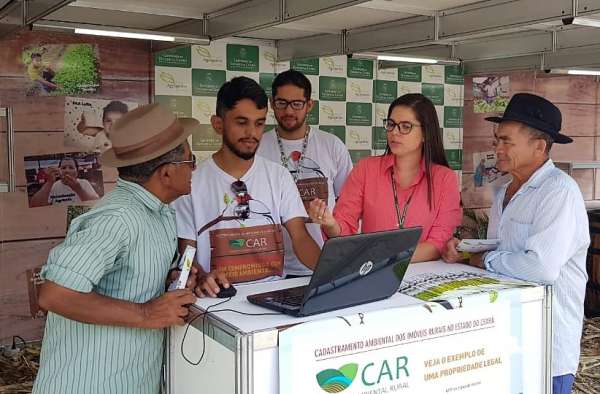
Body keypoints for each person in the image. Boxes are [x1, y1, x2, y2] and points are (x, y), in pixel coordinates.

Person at [33, 103, 200, 393]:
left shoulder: (159, 212)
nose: (195, 168)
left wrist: (170, 281)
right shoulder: (117, 219)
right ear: (167, 174)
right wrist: (147, 313)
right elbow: (53, 294)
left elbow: (129, 280)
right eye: (190, 160)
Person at [441, 93, 589, 394]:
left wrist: (485, 260)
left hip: (547, 347)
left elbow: (541, 267)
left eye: (507, 141)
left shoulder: (559, 192)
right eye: (497, 140)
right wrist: (469, 250)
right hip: (508, 341)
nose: (497, 149)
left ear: (539, 146)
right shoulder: (506, 191)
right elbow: (503, 247)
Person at [172, 77, 321, 296]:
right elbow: (186, 253)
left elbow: (300, 237)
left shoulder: (278, 176)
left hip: (273, 298)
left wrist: (333, 275)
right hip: (217, 304)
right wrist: (202, 276)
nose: (252, 133)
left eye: (259, 123)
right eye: (242, 122)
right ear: (218, 124)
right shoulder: (191, 182)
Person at [308, 93, 462, 262]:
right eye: (391, 124)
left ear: (426, 133)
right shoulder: (366, 169)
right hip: (374, 273)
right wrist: (330, 224)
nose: (395, 132)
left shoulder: (444, 178)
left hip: (423, 276)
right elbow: (344, 228)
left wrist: (385, 257)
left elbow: (438, 243)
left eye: (405, 126)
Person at [256, 69, 353, 277]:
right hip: (271, 270)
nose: (289, 111)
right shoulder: (258, 147)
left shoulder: (332, 146)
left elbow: (348, 206)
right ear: (272, 103)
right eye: (282, 103)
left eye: (297, 104)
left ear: (309, 105)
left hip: (323, 262)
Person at [30, 156, 100, 207]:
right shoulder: (54, 185)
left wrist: (78, 189)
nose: (67, 171)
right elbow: (34, 205)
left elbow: (97, 203)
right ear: (59, 171)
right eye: (63, 168)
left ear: (77, 171)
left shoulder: (84, 183)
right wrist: (49, 182)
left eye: (71, 167)